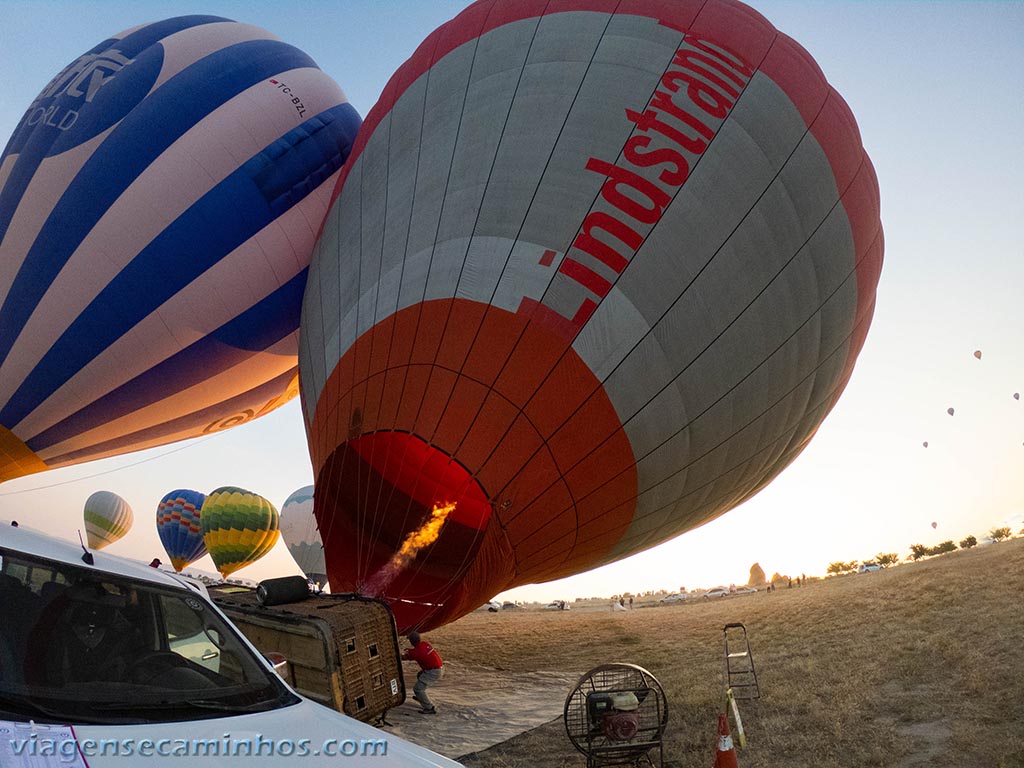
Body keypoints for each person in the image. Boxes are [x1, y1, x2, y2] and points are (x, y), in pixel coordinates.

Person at [402, 631, 443, 714]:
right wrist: (409, 650)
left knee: (417, 689)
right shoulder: (424, 644)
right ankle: (421, 697)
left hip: (433, 671)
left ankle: (429, 708)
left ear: (411, 641)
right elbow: (418, 652)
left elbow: (404, 657)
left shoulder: (416, 652)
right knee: (420, 675)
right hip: (438, 668)